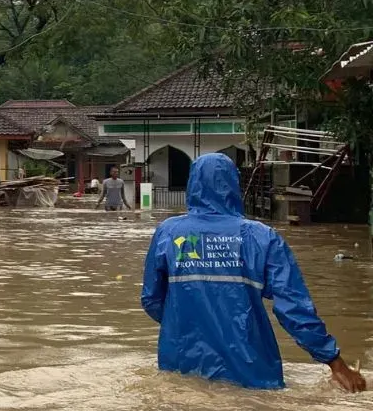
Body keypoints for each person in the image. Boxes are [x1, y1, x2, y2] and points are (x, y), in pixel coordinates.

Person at [141, 153, 365, 392]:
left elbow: (151, 299)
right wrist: (335, 363)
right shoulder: (262, 237)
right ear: (234, 186)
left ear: (192, 185)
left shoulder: (168, 232)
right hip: (251, 368)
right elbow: (294, 307)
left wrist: (189, 323)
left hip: (181, 363)